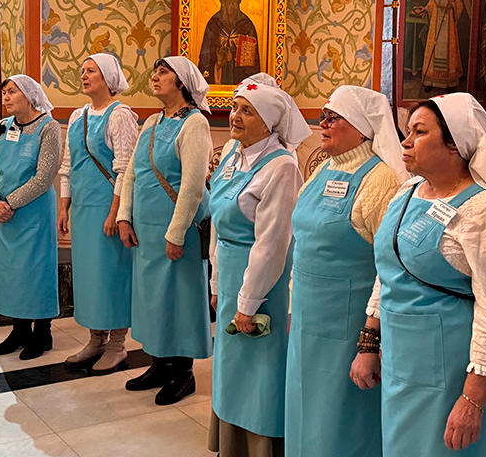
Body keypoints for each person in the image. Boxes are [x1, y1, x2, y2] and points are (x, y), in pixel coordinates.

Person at [351, 93, 486, 455]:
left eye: (419, 132)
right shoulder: (407, 192)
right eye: (408, 131)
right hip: (401, 362)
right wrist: (369, 342)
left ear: (454, 144)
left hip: (453, 370)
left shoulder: (484, 210)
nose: (406, 142)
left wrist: (473, 399)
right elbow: (388, 271)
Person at [285, 86, 408, 457]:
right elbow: (302, 244)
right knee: (305, 412)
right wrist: (292, 306)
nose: (321, 124)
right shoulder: (324, 168)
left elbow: (390, 268)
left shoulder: (382, 179)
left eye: (332, 117)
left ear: (360, 127)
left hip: (348, 327)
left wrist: (370, 341)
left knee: (341, 422)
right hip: (307, 320)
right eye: (322, 116)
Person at [208, 79, 311, 456]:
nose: (234, 116)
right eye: (235, 107)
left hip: (261, 284)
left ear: (268, 122)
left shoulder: (281, 166)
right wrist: (216, 283)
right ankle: (230, 445)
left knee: (258, 369)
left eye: (246, 111)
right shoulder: (233, 154)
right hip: (230, 273)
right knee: (231, 367)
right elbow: (219, 225)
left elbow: (271, 245)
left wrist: (247, 304)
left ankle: (260, 447)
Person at [117, 56, 213, 405]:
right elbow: (132, 173)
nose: (154, 77)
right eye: (155, 72)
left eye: (163, 73)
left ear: (182, 83)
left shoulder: (195, 124)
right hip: (146, 230)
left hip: (176, 232)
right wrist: (124, 216)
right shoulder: (153, 122)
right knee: (153, 301)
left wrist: (176, 233)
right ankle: (159, 363)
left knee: (179, 302)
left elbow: (192, 186)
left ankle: (182, 373)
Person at [58, 54, 139, 373]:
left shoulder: (120, 116)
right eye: (83, 70)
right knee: (90, 277)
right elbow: (68, 165)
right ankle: (95, 339)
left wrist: (116, 213)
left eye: (91, 70)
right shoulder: (77, 116)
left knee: (112, 276)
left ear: (108, 78)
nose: (84, 75)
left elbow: (125, 169)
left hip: (109, 209)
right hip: (83, 211)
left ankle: (117, 344)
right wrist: (64, 206)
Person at [0, 75, 61, 360]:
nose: (5, 97)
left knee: (36, 270)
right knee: (12, 271)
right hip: (5, 214)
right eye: (4, 92)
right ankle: (19, 330)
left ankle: (42, 333)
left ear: (29, 96)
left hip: (34, 211)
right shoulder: (2, 126)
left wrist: (9, 203)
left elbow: (44, 177)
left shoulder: (48, 127)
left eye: (12, 92)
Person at [198, 0, 260, 85]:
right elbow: (205, 62)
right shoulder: (213, 24)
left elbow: (252, 66)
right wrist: (217, 65)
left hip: (240, 83)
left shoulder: (246, 25)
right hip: (216, 82)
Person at [417, 0, 466, 92]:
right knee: (434, 49)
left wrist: (453, 6)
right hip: (436, 24)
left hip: (448, 25)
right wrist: (426, 9)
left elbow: (460, 7)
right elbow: (432, 4)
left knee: (449, 50)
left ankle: (449, 82)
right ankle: (431, 81)